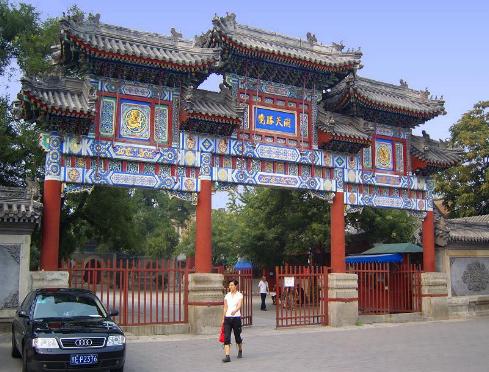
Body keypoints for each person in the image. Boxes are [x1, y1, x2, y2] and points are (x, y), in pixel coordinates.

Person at [222, 279, 243, 363]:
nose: (230, 287)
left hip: (236, 318)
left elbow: (239, 305)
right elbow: (225, 307)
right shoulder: (227, 296)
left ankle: (240, 349)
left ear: (235, 286)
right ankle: (227, 356)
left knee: (237, 337)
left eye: (231, 285)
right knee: (226, 337)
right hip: (228, 318)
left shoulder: (239, 295)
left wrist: (235, 310)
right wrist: (223, 318)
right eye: (229, 285)